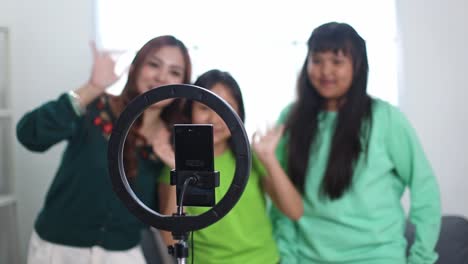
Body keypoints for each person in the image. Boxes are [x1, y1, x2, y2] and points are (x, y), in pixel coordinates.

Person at [260, 22, 441, 264]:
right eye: (317, 60)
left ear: (357, 67)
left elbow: (425, 189)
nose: (325, 71)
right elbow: (282, 199)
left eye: (337, 62)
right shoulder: (290, 119)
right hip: (306, 258)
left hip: (377, 257)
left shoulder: (386, 118)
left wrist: (421, 257)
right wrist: (288, 256)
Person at [17, 35, 192, 264]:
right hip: (58, 249)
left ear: (183, 86)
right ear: (136, 67)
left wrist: (176, 168)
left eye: (174, 72)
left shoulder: (173, 141)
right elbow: (30, 135)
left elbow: (168, 222)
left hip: (122, 254)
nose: (161, 77)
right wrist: (93, 87)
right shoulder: (97, 108)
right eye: (154, 64)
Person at [157, 69, 303, 264]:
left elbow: (294, 211)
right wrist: (178, 170)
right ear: (190, 111)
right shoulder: (173, 165)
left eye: (225, 108)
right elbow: (170, 239)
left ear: (238, 114)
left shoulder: (250, 158)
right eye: (204, 108)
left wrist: (269, 158)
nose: (214, 119)